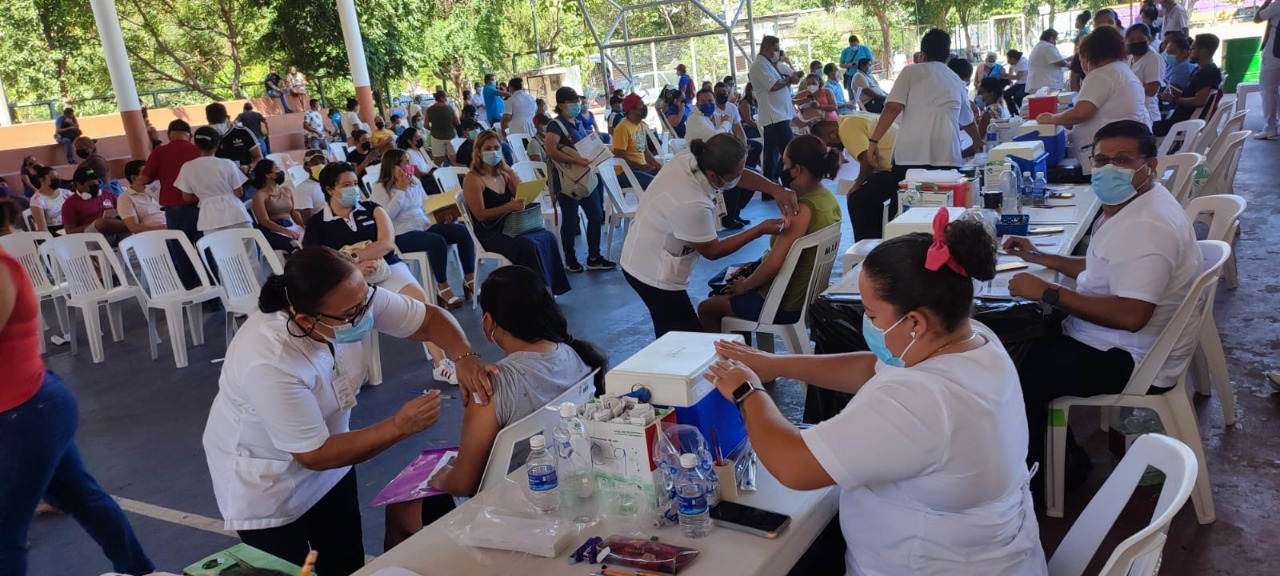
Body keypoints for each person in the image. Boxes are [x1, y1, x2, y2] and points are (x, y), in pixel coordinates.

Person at [704, 209, 1046, 576]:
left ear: (914, 321)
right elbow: (873, 367)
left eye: (871, 313)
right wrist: (778, 364)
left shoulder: (923, 400)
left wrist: (747, 392)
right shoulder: (973, 340)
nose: (867, 323)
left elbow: (793, 465)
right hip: (997, 553)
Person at [201, 245, 488, 576]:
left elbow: (429, 319)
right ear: (306, 319)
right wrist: (399, 425)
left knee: (345, 557)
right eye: (353, 311)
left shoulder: (351, 301)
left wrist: (466, 358)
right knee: (286, 570)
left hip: (334, 457)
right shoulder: (269, 360)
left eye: (366, 300)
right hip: (268, 481)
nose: (366, 314)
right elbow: (314, 455)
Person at [1004, 120, 1202, 497]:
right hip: (1118, 340)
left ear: (1151, 164)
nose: (1109, 169)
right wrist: (1041, 257)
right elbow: (1107, 268)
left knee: (1013, 372)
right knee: (1021, 345)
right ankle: (1050, 461)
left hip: (1129, 356)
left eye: (1124, 160)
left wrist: (1046, 291)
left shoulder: (1147, 226)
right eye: (1102, 159)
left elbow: (1131, 316)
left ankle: (1046, 479)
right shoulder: (1135, 204)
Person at [384, 264, 607, 546]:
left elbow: (464, 483)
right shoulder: (576, 354)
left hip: (503, 508)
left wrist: (440, 478)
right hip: (563, 486)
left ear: (488, 323)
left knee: (398, 512)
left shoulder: (491, 385)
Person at [1, 247, 156, 576]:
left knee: (4, 538)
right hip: (29, 412)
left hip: (24, 415)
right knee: (83, 499)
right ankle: (139, 571)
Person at [619, 134, 793, 337]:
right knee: (684, 339)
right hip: (652, 270)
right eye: (733, 175)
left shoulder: (699, 158)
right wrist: (759, 230)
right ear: (713, 176)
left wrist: (774, 188)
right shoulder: (691, 201)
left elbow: (738, 175)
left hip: (649, 248)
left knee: (673, 334)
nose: (738, 177)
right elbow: (713, 250)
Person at [698, 135, 842, 332]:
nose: (780, 168)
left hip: (780, 304)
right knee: (730, 287)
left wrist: (746, 285)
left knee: (708, 308)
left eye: (784, 163)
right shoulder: (828, 200)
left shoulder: (802, 211)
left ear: (796, 170)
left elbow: (774, 265)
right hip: (805, 299)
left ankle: (732, 359)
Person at [461, 131, 571, 295]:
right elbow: (480, 214)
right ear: (478, 151)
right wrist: (508, 207)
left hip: (511, 225)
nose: (493, 152)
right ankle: (535, 293)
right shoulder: (473, 178)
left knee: (547, 236)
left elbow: (521, 194)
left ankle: (552, 287)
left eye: (497, 147)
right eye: (488, 148)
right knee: (528, 245)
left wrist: (510, 171)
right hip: (491, 232)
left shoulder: (503, 174)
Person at [370, 149, 476, 308]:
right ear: (393, 166)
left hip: (424, 225)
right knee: (436, 241)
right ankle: (442, 287)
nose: (410, 165)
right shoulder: (380, 187)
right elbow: (386, 216)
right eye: (405, 162)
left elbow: (426, 206)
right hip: (401, 234)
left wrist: (443, 215)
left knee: (462, 231)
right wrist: (400, 191)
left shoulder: (414, 182)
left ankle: (469, 278)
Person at [867, 29, 980, 179]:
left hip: (911, 155)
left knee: (906, 200)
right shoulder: (955, 80)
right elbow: (968, 121)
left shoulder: (910, 72)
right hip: (947, 155)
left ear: (923, 53)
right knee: (943, 200)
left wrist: (874, 141)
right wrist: (978, 141)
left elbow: (892, 107)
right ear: (947, 54)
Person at [1036, 26, 1150, 173]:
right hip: (1125, 152)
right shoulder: (1121, 70)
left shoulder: (1102, 74)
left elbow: (1080, 113)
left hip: (1108, 159)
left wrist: (1051, 118)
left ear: (1089, 55)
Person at [544, 86, 616, 273]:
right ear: (561, 105)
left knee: (595, 215)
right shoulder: (555, 125)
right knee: (570, 220)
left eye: (577, 101)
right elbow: (551, 151)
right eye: (572, 102)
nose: (577, 105)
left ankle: (594, 257)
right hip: (567, 180)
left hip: (586, 176)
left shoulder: (577, 122)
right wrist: (575, 159)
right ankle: (570, 259)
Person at [813, 114, 898, 241]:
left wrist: (857, 184)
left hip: (899, 167)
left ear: (832, 133)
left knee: (857, 198)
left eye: (829, 144)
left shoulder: (846, 129)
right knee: (868, 193)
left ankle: (865, 248)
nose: (833, 147)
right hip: (902, 160)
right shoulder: (851, 119)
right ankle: (876, 238)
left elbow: (868, 161)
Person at [143, 119, 204, 287]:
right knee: (204, 250)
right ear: (190, 135)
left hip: (174, 210)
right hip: (201, 207)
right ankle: (213, 295)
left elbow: (145, 179)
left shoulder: (160, 152)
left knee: (182, 253)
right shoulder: (198, 150)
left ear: (168, 135)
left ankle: (192, 293)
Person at [175, 126, 252, 234]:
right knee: (246, 250)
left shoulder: (187, 167)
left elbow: (186, 197)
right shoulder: (228, 163)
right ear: (218, 144)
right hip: (237, 215)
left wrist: (205, 194)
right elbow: (239, 193)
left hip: (210, 219)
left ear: (196, 144)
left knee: (219, 250)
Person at [750, 35, 805, 184]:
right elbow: (773, 85)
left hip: (779, 114)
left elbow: (779, 82)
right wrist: (789, 80)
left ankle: (770, 185)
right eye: (776, 49)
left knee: (771, 155)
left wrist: (790, 78)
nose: (777, 53)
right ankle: (790, 183)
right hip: (775, 116)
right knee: (789, 153)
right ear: (767, 48)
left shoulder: (768, 64)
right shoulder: (758, 65)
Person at [1156, 34, 1222, 136]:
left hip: (1182, 124)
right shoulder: (1199, 69)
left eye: (1192, 48)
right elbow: (1188, 94)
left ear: (1203, 50)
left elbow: (1199, 101)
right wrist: (1170, 89)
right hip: (1179, 118)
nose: (1190, 52)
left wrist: (1173, 99)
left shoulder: (1208, 72)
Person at [249, 159, 304, 253]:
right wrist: (285, 231)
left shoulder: (287, 190)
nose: (280, 171)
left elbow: (294, 212)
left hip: (289, 226)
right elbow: (264, 221)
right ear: (268, 175)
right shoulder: (260, 195)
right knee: (294, 244)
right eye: (276, 169)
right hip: (272, 230)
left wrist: (303, 225)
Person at [62, 165, 128, 242]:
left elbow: (121, 212)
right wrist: (94, 225)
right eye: (90, 184)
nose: (95, 187)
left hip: (117, 231)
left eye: (96, 183)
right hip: (91, 236)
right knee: (101, 223)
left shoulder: (107, 194)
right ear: (78, 185)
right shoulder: (70, 203)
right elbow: (70, 231)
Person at [611, 93, 662, 191]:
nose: (644, 108)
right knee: (656, 185)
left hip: (640, 169)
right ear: (631, 109)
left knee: (667, 177)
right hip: (625, 173)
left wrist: (658, 165)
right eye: (640, 105)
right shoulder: (622, 128)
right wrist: (641, 167)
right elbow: (619, 155)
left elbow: (645, 151)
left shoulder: (640, 125)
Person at [206, 102, 263, 180]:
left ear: (228, 118)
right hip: (220, 183)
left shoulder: (243, 132)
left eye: (220, 122)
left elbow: (259, 157)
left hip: (244, 181)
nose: (217, 125)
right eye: (213, 123)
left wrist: (248, 167)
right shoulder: (207, 136)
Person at [1126, 24, 1164, 125]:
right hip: (1133, 114)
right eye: (1131, 40)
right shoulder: (1129, 59)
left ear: (1149, 38)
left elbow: (1151, 90)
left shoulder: (1152, 59)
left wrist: (1128, 86)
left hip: (1148, 117)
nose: (1135, 42)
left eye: (1139, 38)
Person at [117, 160, 165, 234]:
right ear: (134, 178)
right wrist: (161, 229)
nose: (152, 175)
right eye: (146, 173)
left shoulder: (157, 188)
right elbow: (134, 227)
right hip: (152, 236)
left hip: (172, 229)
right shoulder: (125, 198)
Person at [1255, 0, 1280, 139]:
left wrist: (1267, 2)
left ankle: (1270, 127)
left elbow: (1257, 18)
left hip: (1273, 54)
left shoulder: (1277, 4)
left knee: (1267, 89)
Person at [28, 165, 72, 234]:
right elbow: (42, 229)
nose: (57, 179)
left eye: (58, 177)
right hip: (52, 232)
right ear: (42, 180)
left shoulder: (67, 193)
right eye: (53, 178)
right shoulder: (37, 200)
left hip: (70, 227)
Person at [1029, 29, 1070, 93]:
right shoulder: (1047, 46)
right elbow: (1058, 62)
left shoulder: (1039, 46)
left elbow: (1052, 60)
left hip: (1039, 84)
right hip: (1047, 85)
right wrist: (1069, 65)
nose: (1055, 43)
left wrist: (1067, 59)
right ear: (1051, 38)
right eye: (1055, 39)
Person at [293, 150, 329, 222]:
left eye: (323, 162)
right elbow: (309, 221)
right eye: (315, 164)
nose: (320, 166)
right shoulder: (303, 189)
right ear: (306, 168)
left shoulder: (335, 182)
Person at [426, 91, 460, 166]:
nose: (447, 98)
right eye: (446, 96)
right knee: (455, 160)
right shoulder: (449, 108)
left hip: (436, 137)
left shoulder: (430, 110)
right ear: (442, 98)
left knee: (438, 161)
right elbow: (458, 122)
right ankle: (457, 175)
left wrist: (433, 129)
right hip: (451, 136)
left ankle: (440, 176)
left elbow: (426, 125)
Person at [839, 34, 874, 100]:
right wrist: (847, 65)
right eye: (851, 45)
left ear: (858, 42)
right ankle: (853, 108)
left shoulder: (864, 49)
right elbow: (841, 64)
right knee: (852, 96)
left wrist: (862, 64)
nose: (853, 46)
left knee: (867, 94)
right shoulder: (845, 51)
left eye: (855, 44)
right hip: (851, 76)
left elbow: (871, 61)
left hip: (864, 75)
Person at [1002, 50, 1030, 114]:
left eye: (1008, 58)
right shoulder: (1013, 62)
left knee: (1017, 97)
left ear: (1013, 58)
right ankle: (1014, 113)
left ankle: (1024, 113)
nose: (1008, 60)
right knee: (1006, 94)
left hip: (1026, 83)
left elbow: (1018, 77)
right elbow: (1011, 69)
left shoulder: (1022, 62)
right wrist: (1009, 78)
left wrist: (1006, 75)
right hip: (1019, 83)